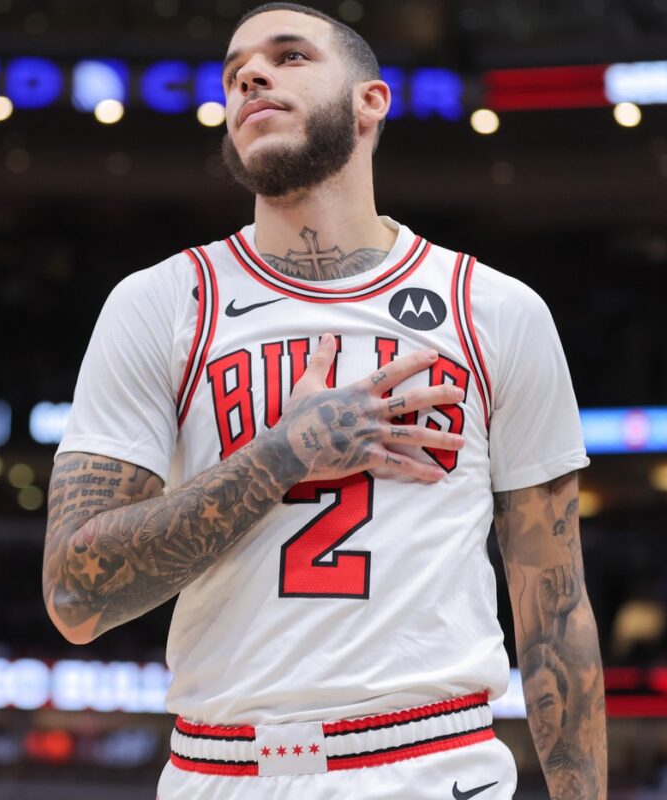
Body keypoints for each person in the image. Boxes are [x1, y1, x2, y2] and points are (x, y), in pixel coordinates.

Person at [42, 3, 607, 797]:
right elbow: (75, 595)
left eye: (290, 56)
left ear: (371, 102)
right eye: (235, 72)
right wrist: (283, 453)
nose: (251, 76)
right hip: (220, 770)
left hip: (429, 764)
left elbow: (555, 613)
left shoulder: (495, 310)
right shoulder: (161, 303)